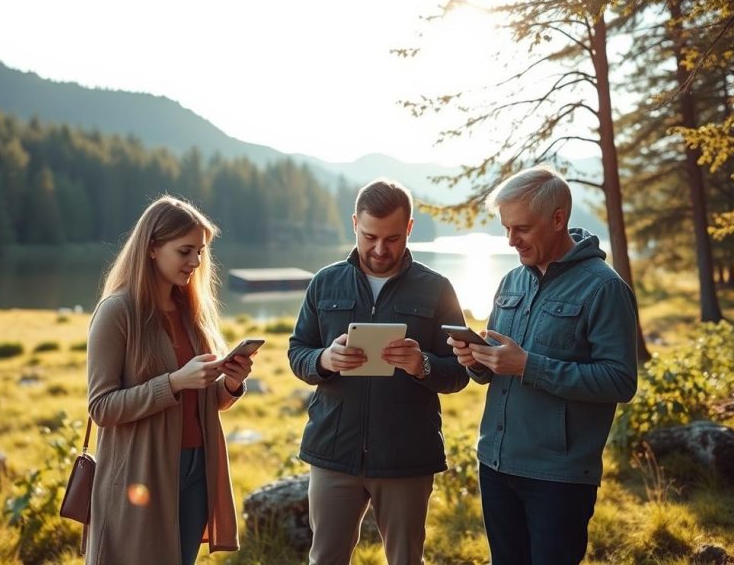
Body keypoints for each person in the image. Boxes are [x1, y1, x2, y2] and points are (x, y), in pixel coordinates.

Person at [447, 166, 638, 565]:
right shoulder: (511, 282)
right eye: (506, 229)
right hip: (496, 465)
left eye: (522, 229)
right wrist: (476, 361)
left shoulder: (605, 288)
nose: (511, 240)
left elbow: (620, 381)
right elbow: (498, 363)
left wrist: (527, 366)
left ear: (558, 219)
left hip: (558, 477)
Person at [288, 178, 470, 565]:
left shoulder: (437, 289)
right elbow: (297, 351)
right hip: (333, 452)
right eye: (369, 236)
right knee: (325, 559)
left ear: (409, 228)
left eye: (392, 238)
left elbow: (459, 372)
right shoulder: (324, 282)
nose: (380, 249)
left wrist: (421, 365)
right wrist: (324, 360)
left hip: (407, 456)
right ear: (354, 223)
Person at [85, 196, 253, 565]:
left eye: (200, 252)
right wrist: (174, 382)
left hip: (197, 468)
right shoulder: (117, 312)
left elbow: (202, 400)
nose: (195, 262)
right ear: (152, 249)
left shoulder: (191, 312)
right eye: (185, 251)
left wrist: (228, 385)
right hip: (140, 472)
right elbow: (101, 407)